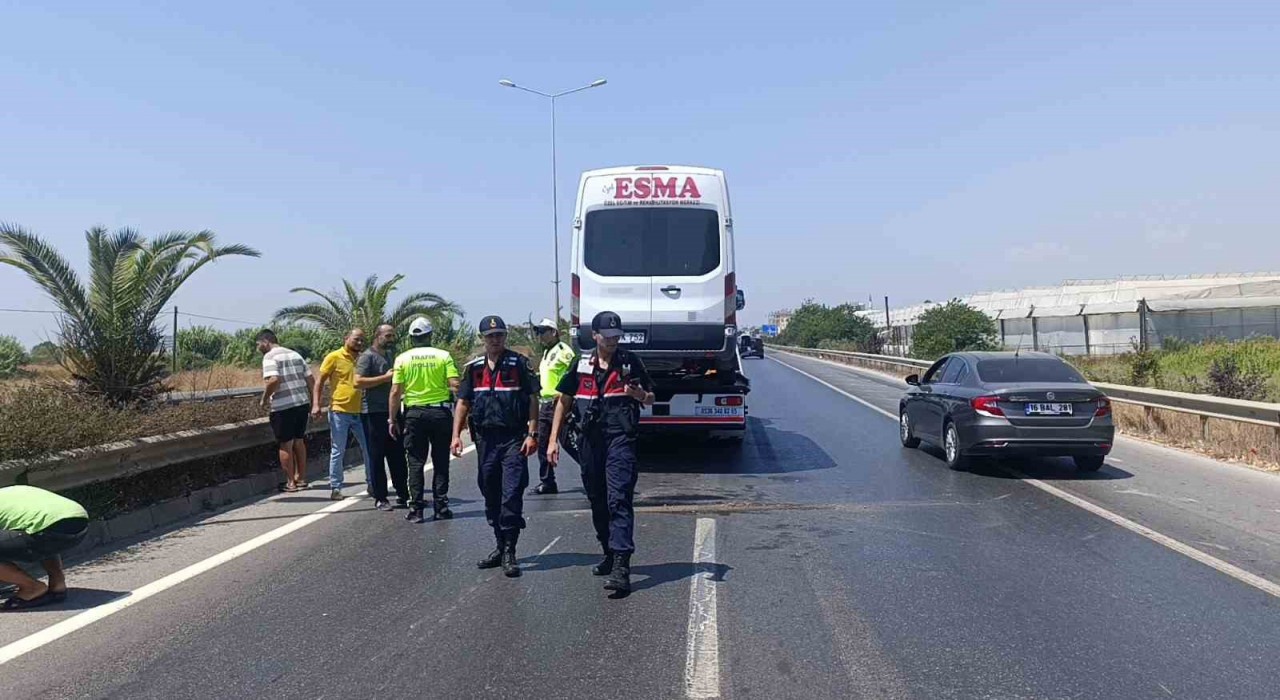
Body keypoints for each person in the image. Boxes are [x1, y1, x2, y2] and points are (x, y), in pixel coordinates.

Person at [548, 310, 654, 594]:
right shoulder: (581, 363)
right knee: (597, 498)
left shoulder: (630, 362)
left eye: (616, 336)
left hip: (620, 438)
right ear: (594, 336)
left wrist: (639, 396)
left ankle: (622, 564)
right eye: (607, 337)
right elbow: (563, 402)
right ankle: (608, 551)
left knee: (618, 497)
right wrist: (552, 441)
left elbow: (651, 397)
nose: (612, 341)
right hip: (589, 440)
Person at [451, 315, 539, 578]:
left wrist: (532, 433)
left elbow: (533, 399)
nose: (495, 339)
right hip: (485, 440)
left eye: (499, 335)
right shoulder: (474, 368)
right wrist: (456, 435)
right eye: (490, 336)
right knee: (490, 490)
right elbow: (463, 403)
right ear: (483, 339)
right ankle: (499, 546)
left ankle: (511, 550)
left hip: (513, 437)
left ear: (505, 337)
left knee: (511, 492)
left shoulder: (519, 364)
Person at [389, 317, 460, 523]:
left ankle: (416, 510)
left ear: (411, 338)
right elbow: (455, 385)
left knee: (415, 462)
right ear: (430, 336)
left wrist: (392, 419)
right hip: (440, 414)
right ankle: (441, 507)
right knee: (440, 461)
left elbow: (395, 392)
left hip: (414, 415)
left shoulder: (402, 358)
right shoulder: (443, 356)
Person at [0, 486, 89, 610]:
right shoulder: (11, 491)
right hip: (80, 525)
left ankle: (32, 587)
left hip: (48, 530)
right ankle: (58, 583)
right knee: (39, 530)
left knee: (40, 531)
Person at [356, 324, 409, 511]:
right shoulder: (367, 357)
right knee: (377, 456)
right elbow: (358, 382)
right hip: (373, 413)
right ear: (377, 336)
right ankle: (381, 497)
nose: (391, 339)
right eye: (388, 335)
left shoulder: (389, 355)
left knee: (398, 455)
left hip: (391, 411)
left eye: (392, 335)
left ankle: (404, 494)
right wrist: (385, 379)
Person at [313, 328, 369, 501]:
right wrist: (316, 404)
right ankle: (336, 488)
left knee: (368, 449)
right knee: (338, 450)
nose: (359, 343)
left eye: (361, 340)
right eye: (356, 339)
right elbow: (319, 382)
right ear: (346, 338)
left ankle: (372, 483)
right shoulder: (334, 357)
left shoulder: (363, 358)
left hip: (360, 411)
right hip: (339, 411)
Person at [258, 330, 315, 492]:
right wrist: (313, 401)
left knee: (286, 444)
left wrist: (264, 398)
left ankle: (290, 483)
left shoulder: (269, 357)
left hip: (283, 407)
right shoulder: (295, 354)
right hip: (302, 403)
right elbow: (311, 379)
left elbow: (274, 380)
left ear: (265, 341)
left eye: (258, 344)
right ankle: (302, 478)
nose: (258, 348)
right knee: (299, 441)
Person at [531, 317, 576, 495]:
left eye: (543, 331)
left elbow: (573, 374)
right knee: (542, 444)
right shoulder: (546, 352)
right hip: (545, 404)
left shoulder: (564, 352)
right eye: (538, 332)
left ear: (554, 332)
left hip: (560, 404)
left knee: (568, 443)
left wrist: (566, 396)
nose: (540, 335)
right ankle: (547, 481)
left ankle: (593, 474)